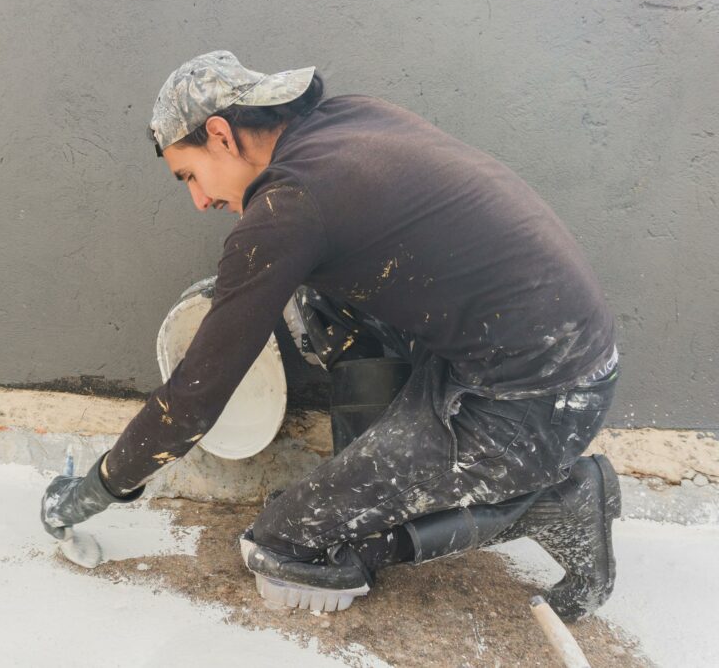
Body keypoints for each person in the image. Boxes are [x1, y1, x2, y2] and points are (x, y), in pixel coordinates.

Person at [41, 51, 621, 620]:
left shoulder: (289, 208)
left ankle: (564, 503)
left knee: (283, 544)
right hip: (524, 355)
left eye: (189, 174)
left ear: (220, 133)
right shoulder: (348, 120)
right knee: (308, 295)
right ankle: (374, 474)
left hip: (531, 406)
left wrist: (94, 491)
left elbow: (193, 401)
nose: (199, 201)